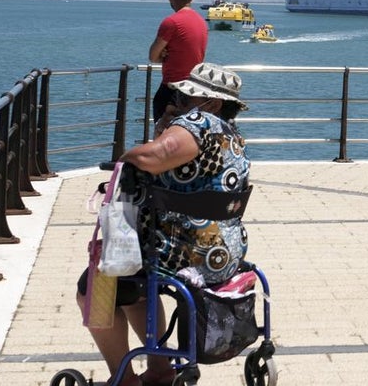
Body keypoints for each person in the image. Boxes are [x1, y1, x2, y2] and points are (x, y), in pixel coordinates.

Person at [75, 62, 251, 386]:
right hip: (223, 251)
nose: (179, 101)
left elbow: (153, 157)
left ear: (210, 103)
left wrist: (125, 160)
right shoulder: (231, 135)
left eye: (185, 96)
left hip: (186, 252)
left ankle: (124, 379)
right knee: (133, 290)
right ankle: (159, 371)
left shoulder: (200, 122)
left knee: (93, 286)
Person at [148, 0, 208, 128]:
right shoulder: (202, 23)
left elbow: (152, 56)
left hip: (172, 90)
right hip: (195, 91)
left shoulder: (171, 22)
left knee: (163, 139)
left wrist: (162, 55)